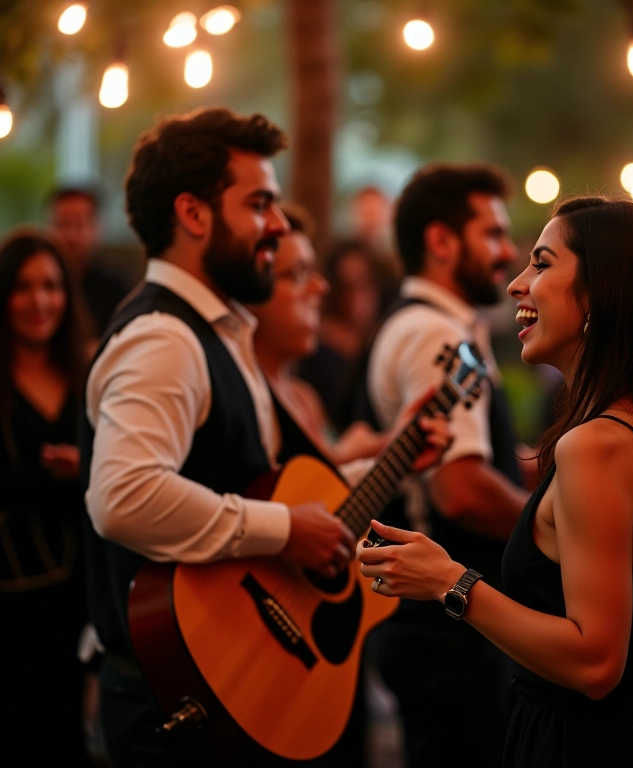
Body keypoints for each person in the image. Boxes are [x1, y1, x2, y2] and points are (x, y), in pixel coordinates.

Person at [80, 106, 450, 768]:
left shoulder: (220, 335)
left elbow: (278, 494)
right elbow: (123, 497)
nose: (278, 224)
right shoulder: (165, 339)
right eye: (260, 204)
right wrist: (282, 529)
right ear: (193, 214)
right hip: (174, 695)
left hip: (227, 683)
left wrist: (396, 456)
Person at [358, 194, 633, 767]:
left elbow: (595, 663)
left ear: (600, 293)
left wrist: (449, 581)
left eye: (541, 262)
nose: (517, 283)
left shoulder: (598, 447)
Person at [352, 163, 531, 768]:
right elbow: (459, 489)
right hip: (448, 629)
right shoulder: (434, 333)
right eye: (493, 233)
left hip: (450, 622)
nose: (509, 252)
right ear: (440, 241)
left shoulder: (443, 327)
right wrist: (554, 531)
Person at [0, 228, 92, 766]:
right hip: (12, 588)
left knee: (67, 731)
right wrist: (47, 475)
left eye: (52, 286)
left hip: (81, 585)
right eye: (24, 287)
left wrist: (89, 467)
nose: (40, 301)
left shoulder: (88, 372)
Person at [251, 203, 388, 465]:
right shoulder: (248, 404)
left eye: (314, 271)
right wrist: (348, 454)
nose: (320, 287)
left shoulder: (305, 398)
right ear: (251, 290)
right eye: (297, 274)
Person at [298, 237, 400, 431]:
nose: (355, 296)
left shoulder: (382, 340)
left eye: (363, 283)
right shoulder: (315, 350)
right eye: (346, 286)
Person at [48, 185, 133, 336]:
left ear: (98, 227)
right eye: (63, 224)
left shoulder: (116, 287)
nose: (71, 235)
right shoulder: (40, 284)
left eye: (80, 224)